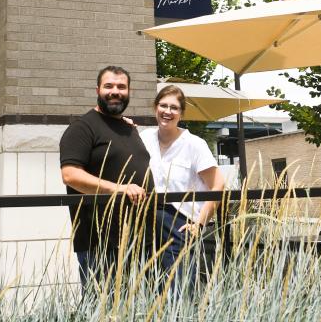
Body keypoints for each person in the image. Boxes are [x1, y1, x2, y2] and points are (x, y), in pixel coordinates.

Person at [59, 66, 153, 286]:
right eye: (109, 86)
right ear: (97, 90)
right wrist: (121, 189)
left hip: (140, 239)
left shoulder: (129, 128)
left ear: (129, 91)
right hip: (101, 243)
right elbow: (70, 175)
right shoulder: (82, 128)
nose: (115, 91)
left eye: (121, 87)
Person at [140, 84, 225, 277]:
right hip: (148, 222)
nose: (167, 112)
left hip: (180, 224)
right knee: (151, 287)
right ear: (155, 108)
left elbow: (217, 185)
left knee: (179, 290)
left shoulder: (194, 144)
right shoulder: (144, 138)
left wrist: (200, 224)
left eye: (174, 108)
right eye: (163, 106)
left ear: (181, 114)